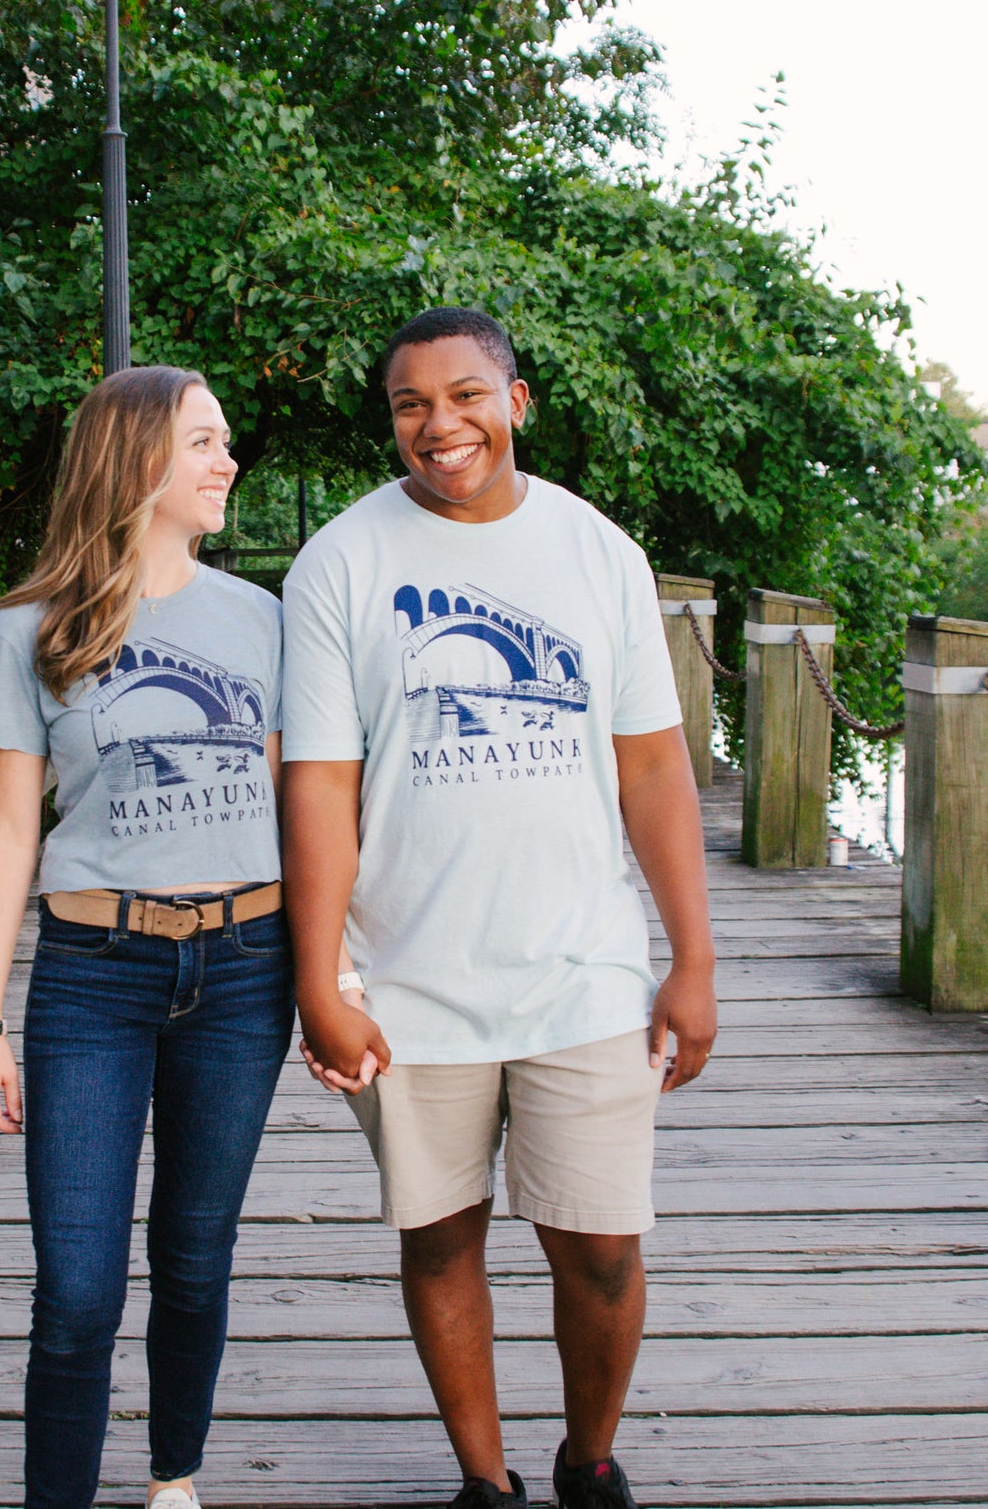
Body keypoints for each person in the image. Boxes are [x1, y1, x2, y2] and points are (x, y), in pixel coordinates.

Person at [282, 307, 717, 1509]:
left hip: (581, 964)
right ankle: (486, 1481)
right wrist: (318, 979)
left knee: (601, 1246)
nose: (439, 425)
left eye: (464, 395)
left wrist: (692, 957)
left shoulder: (597, 554)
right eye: (410, 405)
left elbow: (651, 767)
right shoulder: (341, 562)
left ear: (515, 401)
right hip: (409, 975)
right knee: (438, 1236)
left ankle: (587, 1459)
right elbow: (315, 781)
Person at [0, 366, 293, 1509]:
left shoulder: (263, 618)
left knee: (197, 1262)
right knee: (78, 1291)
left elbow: (298, 804)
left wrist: (341, 966)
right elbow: (9, 834)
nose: (226, 462)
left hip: (247, 966)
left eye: (227, 441)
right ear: (137, 458)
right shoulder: (28, 627)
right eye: (204, 441)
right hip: (90, 976)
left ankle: (173, 1484)